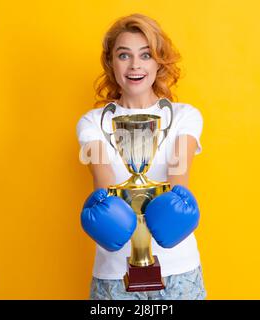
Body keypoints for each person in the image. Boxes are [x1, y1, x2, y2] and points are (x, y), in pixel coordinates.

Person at [76, 13, 206, 300]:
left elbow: (177, 184)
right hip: (115, 276)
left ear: (158, 61)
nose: (135, 65)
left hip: (178, 271)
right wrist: (110, 218)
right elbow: (104, 188)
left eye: (145, 55)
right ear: (111, 62)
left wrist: (171, 213)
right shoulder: (91, 123)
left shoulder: (184, 117)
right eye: (124, 55)